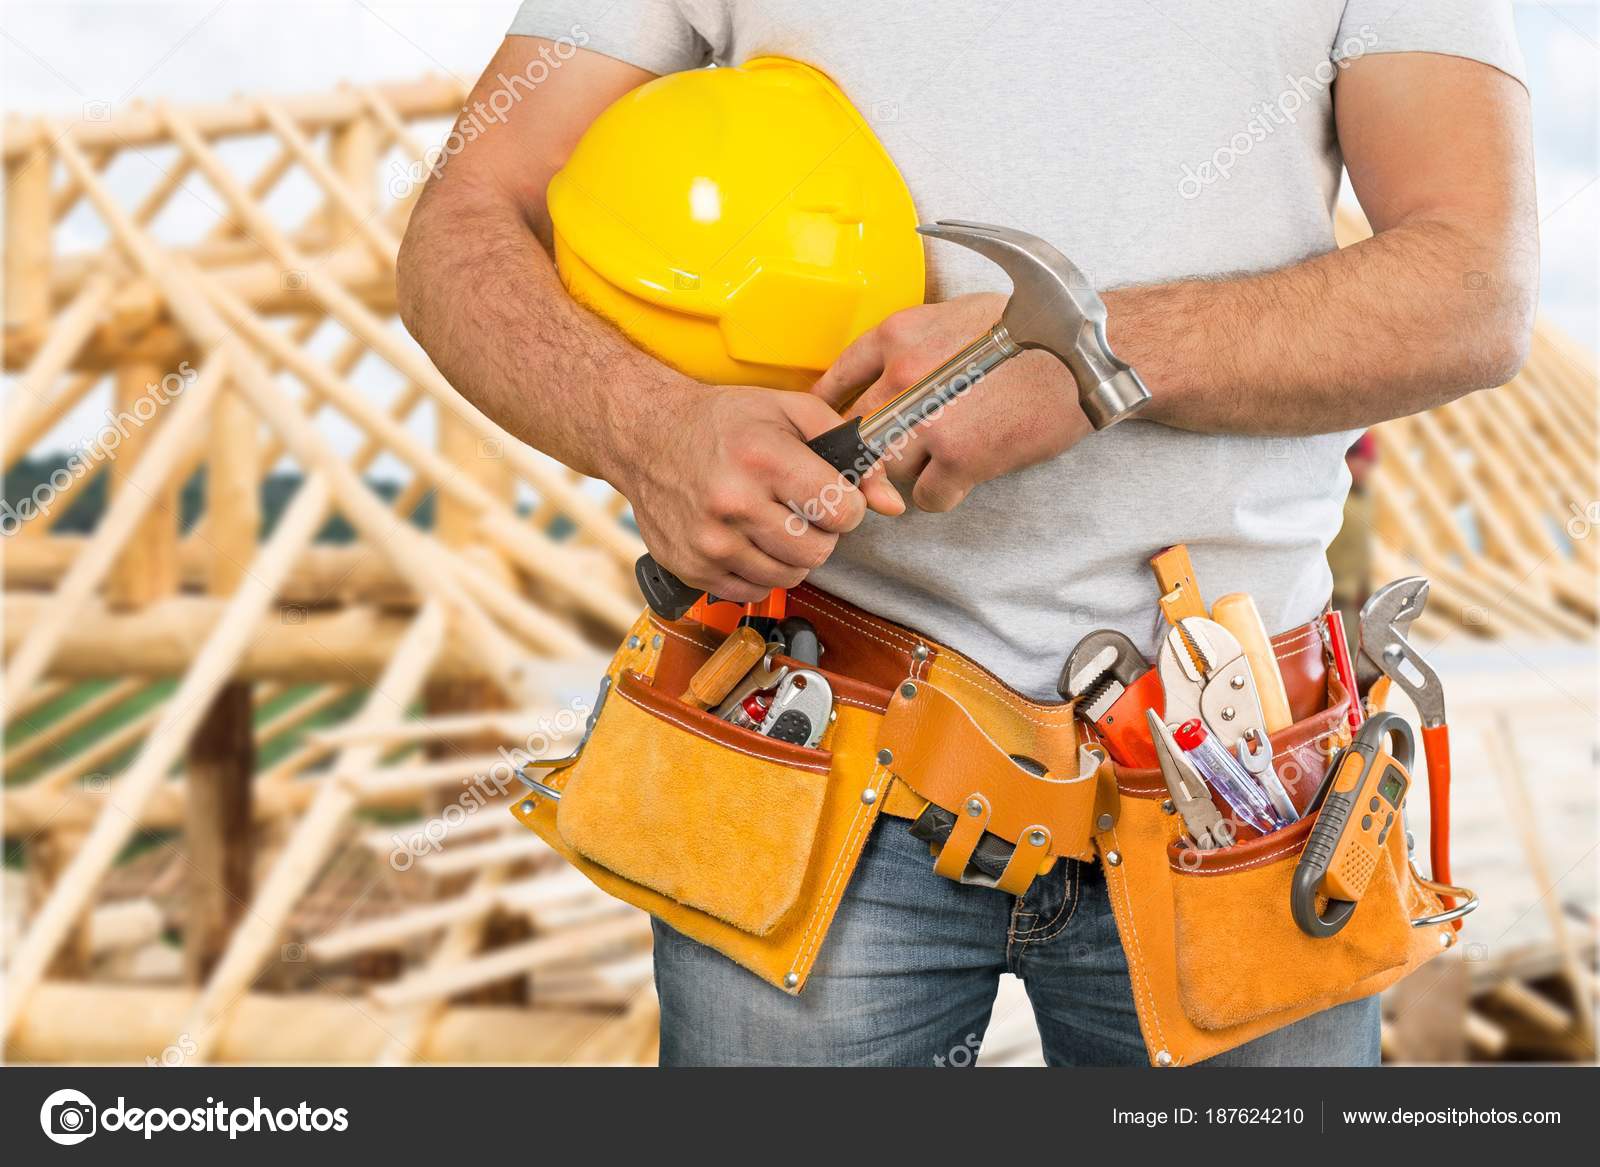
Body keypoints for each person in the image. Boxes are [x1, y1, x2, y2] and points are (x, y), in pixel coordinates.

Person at [396, 0, 1536, 1066]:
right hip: (810, 740)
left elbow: (1474, 284)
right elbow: (465, 213)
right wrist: (644, 427)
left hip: (1234, 788)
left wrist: (1096, 355)